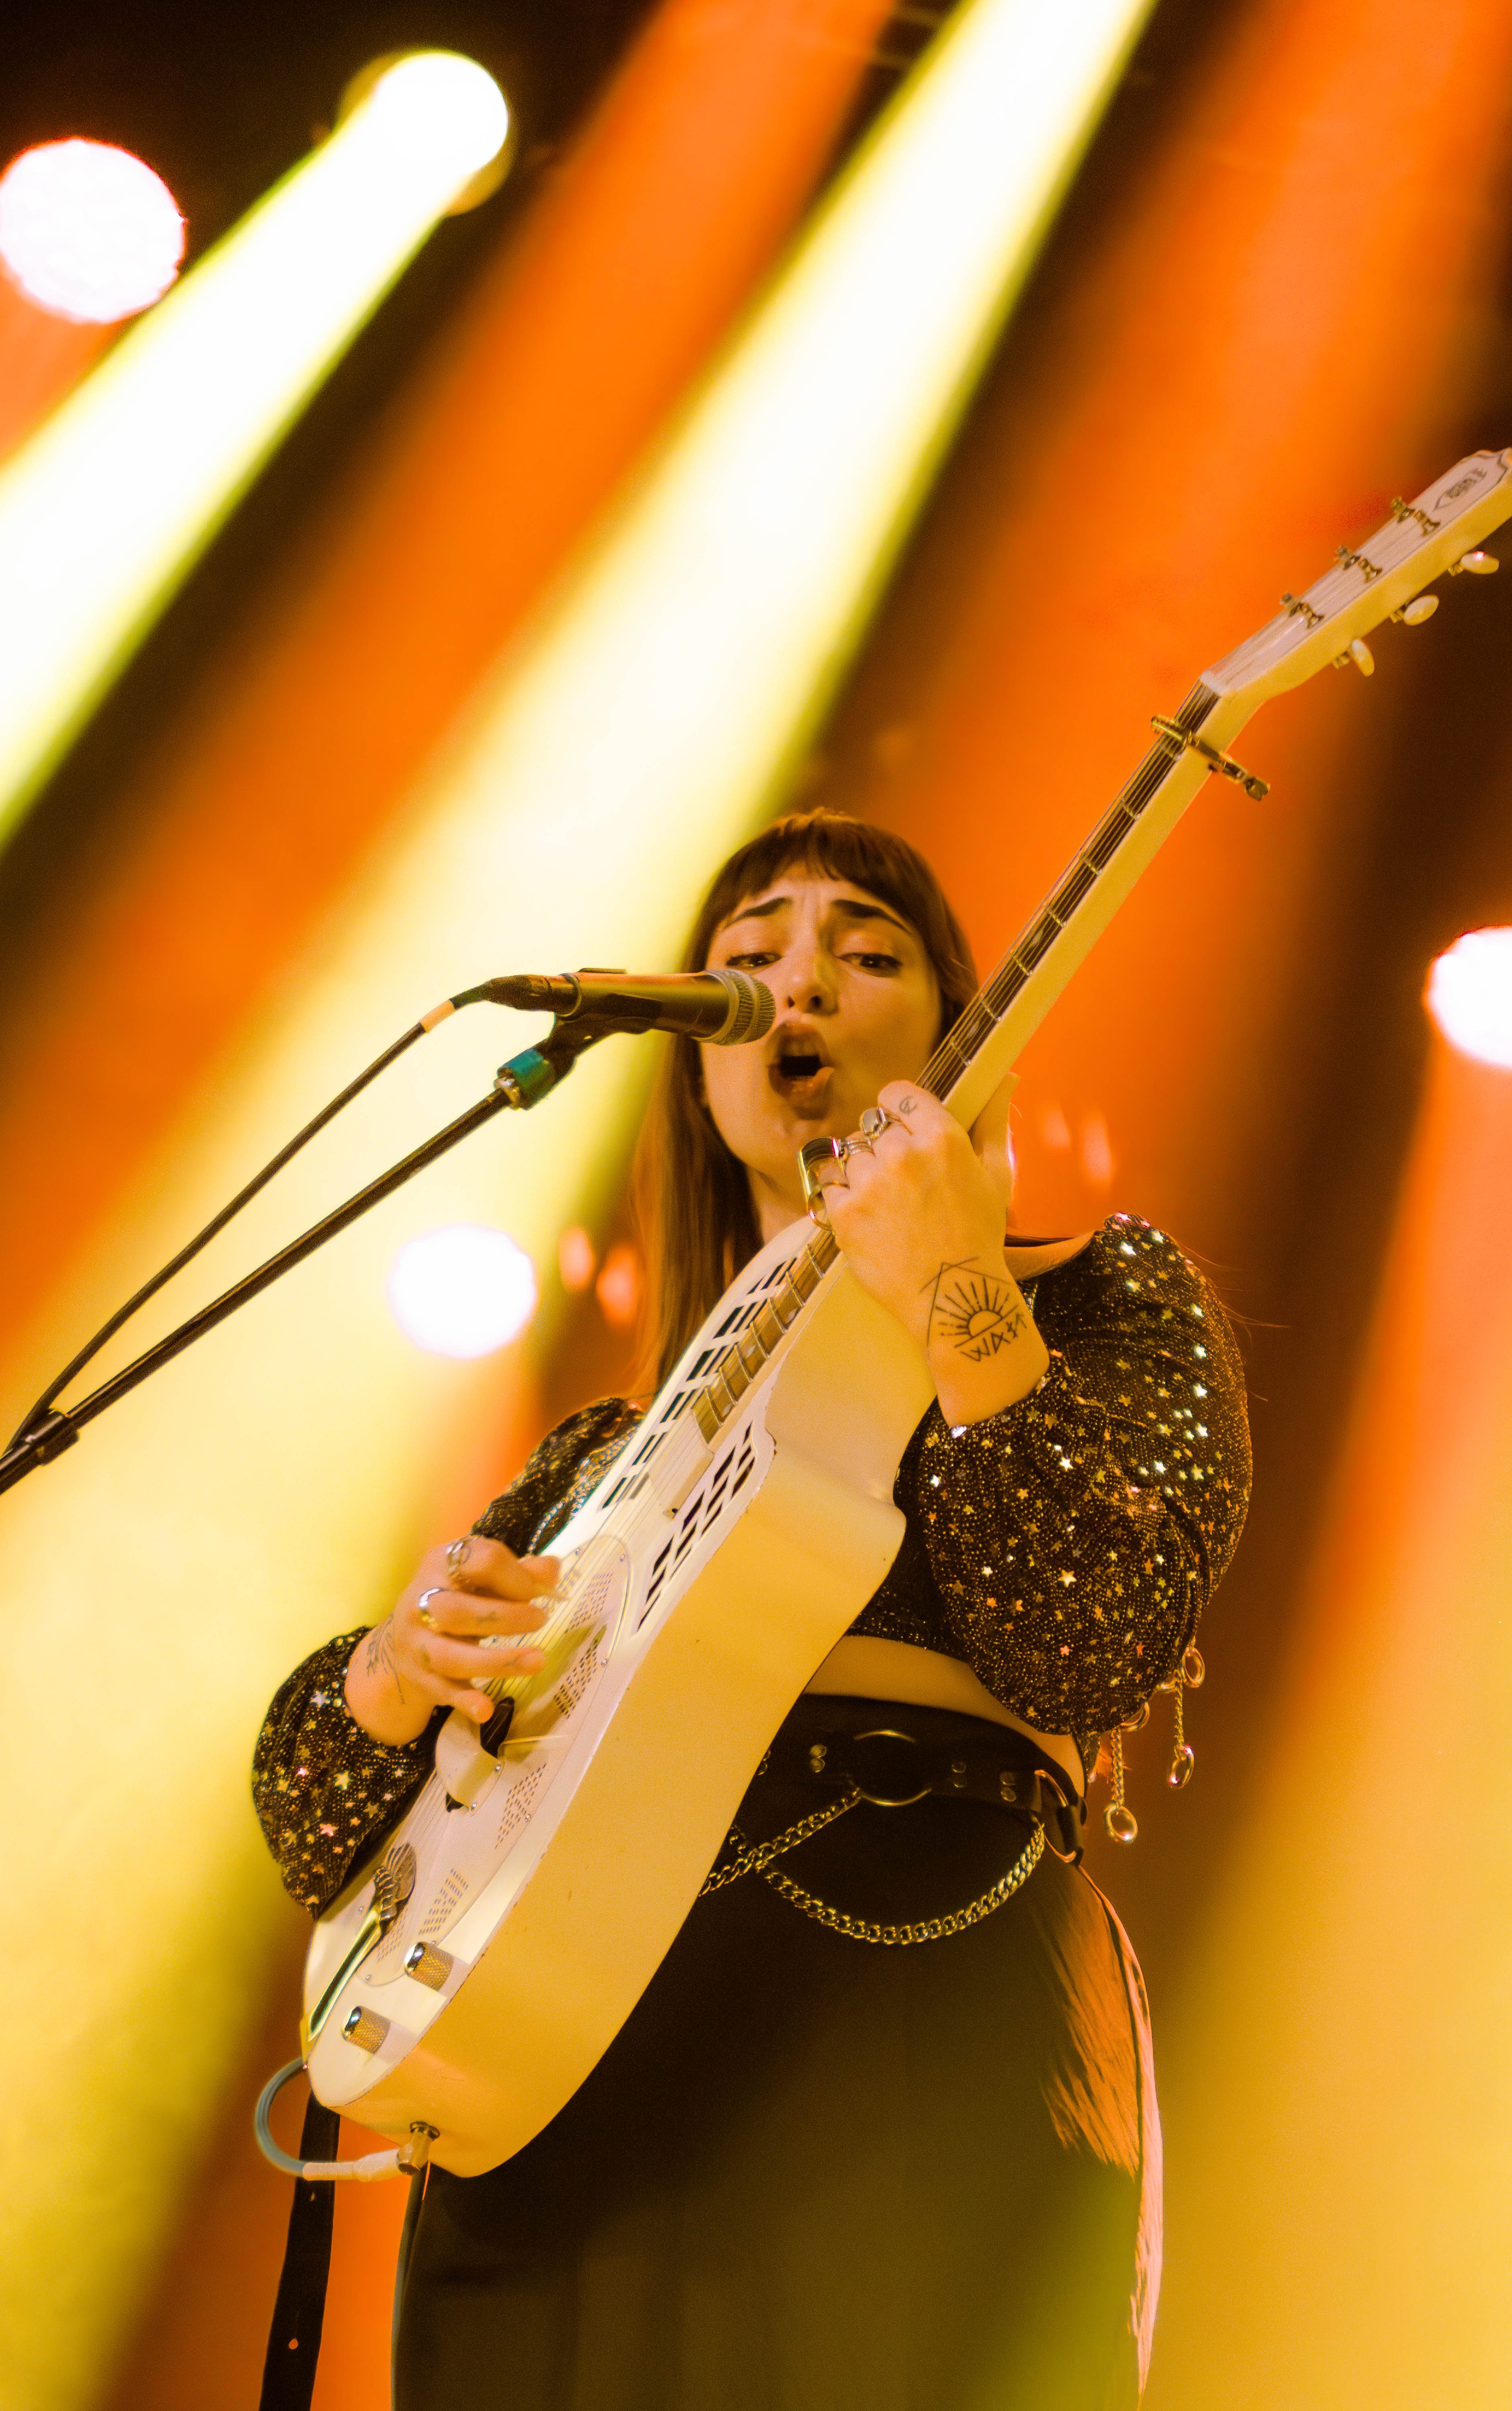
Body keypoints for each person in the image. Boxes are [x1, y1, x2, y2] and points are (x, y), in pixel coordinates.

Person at [254, 809, 1250, 2411]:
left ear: (956, 1029)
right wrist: (395, 1671)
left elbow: (1088, 1633)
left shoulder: (1094, 1296)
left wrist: (953, 1282)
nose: (798, 984)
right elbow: (316, 1823)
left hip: (912, 1998)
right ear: (698, 1064)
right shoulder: (601, 1451)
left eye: (867, 954)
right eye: (744, 963)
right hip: (570, 2054)